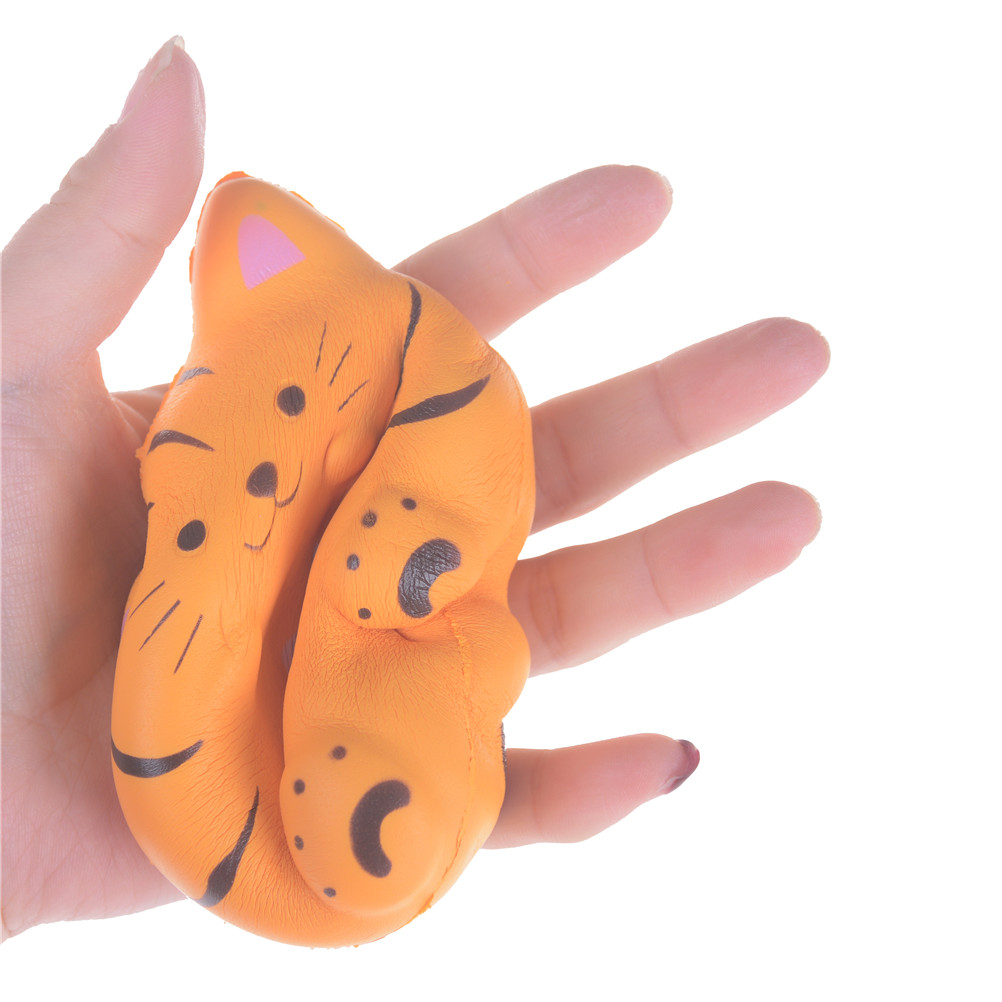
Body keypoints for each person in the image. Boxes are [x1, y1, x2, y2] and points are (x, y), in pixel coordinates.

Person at [0, 37, 829, 940]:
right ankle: (381, 795)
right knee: (382, 604)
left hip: (332, 676)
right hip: (285, 726)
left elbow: (396, 557)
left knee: (387, 600)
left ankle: (382, 793)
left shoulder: (406, 370)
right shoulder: (393, 366)